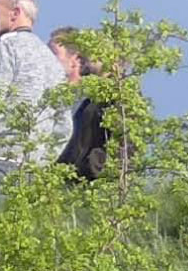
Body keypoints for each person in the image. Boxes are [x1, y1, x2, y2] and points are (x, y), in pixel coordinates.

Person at [0, 0, 69, 202]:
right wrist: (44, 159)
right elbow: (64, 125)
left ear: (15, 13)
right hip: (34, 166)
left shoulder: (5, 46)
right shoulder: (51, 60)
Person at [51, 28, 138, 182]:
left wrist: (91, 169)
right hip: (73, 181)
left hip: (95, 185)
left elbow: (126, 145)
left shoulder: (122, 95)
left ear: (109, 56)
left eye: (92, 53)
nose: (84, 58)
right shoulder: (93, 96)